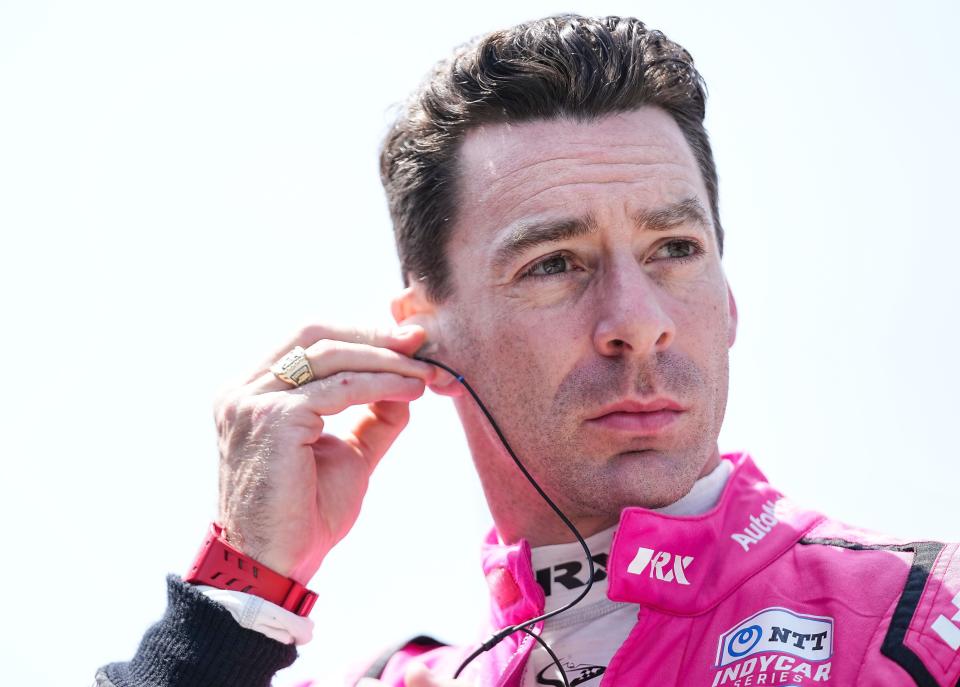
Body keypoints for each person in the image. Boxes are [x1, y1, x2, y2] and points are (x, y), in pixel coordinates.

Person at [95, 13, 960, 687]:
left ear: (728, 297)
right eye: (555, 263)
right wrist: (235, 602)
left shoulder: (927, 618)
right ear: (421, 338)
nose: (637, 318)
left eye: (674, 249)